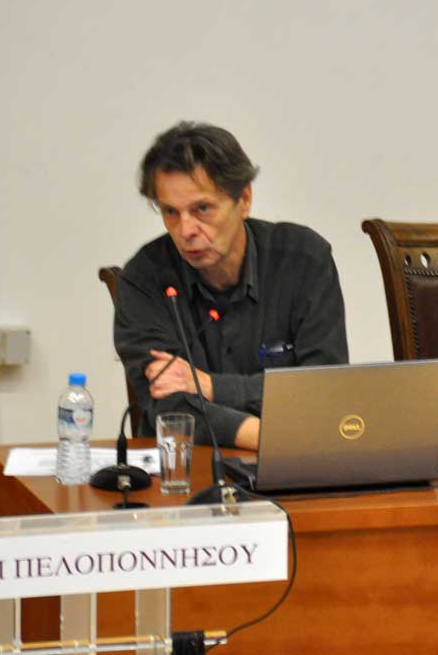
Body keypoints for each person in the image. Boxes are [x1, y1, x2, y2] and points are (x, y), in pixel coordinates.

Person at [112, 122, 348, 448]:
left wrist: (211, 387)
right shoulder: (144, 279)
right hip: (191, 464)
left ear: (244, 199)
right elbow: (172, 409)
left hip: (297, 461)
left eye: (202, 209)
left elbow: (324, 388)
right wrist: (272, 439)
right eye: (171, 212)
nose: (186, 230)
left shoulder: (303, 260)